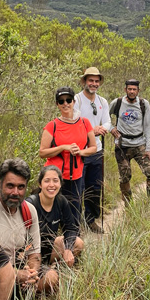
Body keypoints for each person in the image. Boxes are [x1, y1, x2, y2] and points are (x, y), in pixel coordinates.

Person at [0, 159, 52, 299]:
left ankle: (19, 296)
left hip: (18, 267)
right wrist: (13, 274)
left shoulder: (29, 210)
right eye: (10, 186)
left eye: (21, 187)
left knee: (52, 278)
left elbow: (34, 253)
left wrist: (31, 274)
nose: (15, 192)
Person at [39, 87, 97, 228]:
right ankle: (49, 238)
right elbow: (42, 152)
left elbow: (93, 147)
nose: (65, 104)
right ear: (57, 104)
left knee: (74, 212)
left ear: (74, 102)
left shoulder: (84, 123)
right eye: (61, 101)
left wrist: (80, 152)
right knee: (51, 212)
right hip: (55, 177)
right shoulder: (52, 126)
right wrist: (63, 147)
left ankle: (73, 238)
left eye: (68, 100)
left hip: (76, 176)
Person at [26, 165, 84, 280]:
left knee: (78, 243)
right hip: (31, 254)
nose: (51, 185)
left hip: (50, 249)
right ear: (40, 184)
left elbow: (71, 228)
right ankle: (40, 275)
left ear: (61, 184)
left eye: (55, 181)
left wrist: (68, 249)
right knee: (50, 279)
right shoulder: (30, 204)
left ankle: (58, 270)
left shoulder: (61, 201)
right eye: (47, 181)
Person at [73, 67, 111, 234]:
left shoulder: (103, 101)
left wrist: (102, 128)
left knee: (95, 187)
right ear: (84, 81)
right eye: (91, 80)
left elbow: (108, 121)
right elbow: (73, 122)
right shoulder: (77, 100)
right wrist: (91, 131)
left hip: (97, 150)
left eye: (96, 81)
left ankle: (91, 219)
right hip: (80, 151)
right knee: (78, 188)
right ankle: (75, 222)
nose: (94, 84)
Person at [110, 78, 150, 202]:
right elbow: (105, 116)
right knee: (125, 176)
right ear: (125, 89)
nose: (132, 91)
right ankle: (128, 205)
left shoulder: (143, 104)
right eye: (129, 89)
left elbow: (147, 126)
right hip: (122, 145)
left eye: (134, 89)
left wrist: (148, 148)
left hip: (139, 144)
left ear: (138, 90)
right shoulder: (117, 102)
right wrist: (111, 128)